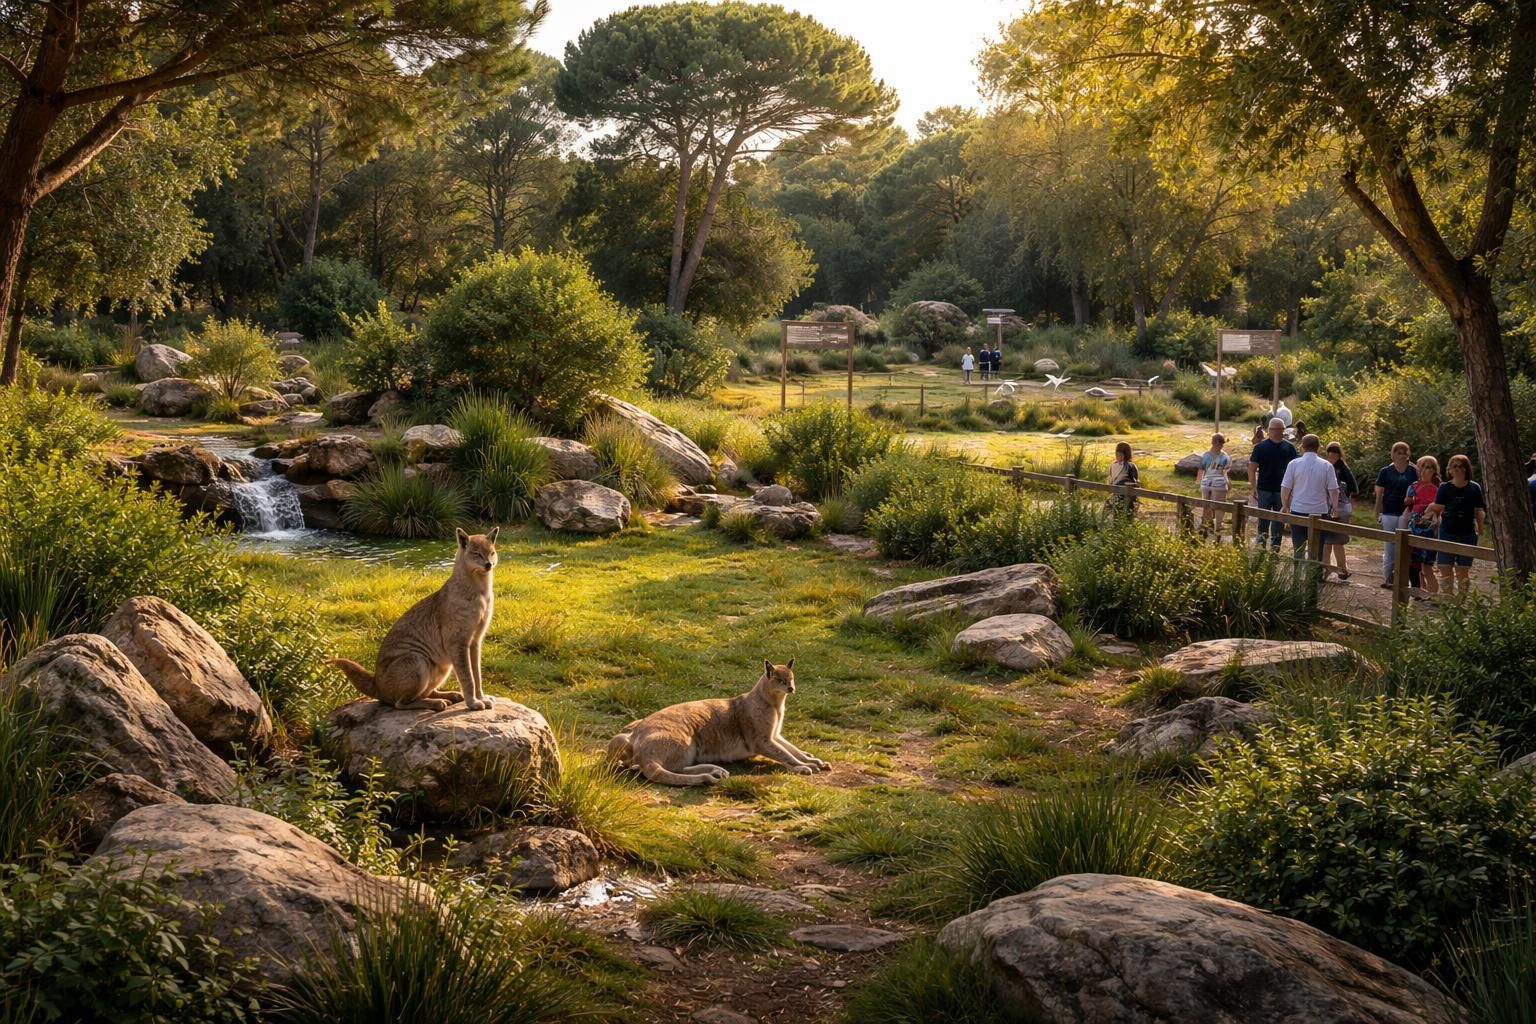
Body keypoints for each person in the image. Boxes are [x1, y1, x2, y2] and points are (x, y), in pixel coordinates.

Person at [1427, 453, 1486, 595]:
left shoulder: (1474, 487)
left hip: (1467, 533)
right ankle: (1448, 600)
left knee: (1463, 571)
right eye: (1455, 466)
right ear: (1450, 470)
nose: (1458, 469)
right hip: (1448, 531)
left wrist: (1481, 527)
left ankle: (1461, 602)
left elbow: (1479, 510)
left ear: (1467, 469)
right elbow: (1439, 506)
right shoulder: (1444, 487)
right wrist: (1430, 509)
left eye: (1461, 466)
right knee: (1445, 568)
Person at [1280, 434, 1339, 556]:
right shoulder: (1327, 466)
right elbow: (1333, 490)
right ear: (1318, 447)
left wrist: (1284, 505)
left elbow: (1285, 487)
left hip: (1298, 510)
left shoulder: (1294, 464)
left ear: (1302, 446)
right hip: (1319, 511)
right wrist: (1335, 508)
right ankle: (1314, 575)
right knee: (1317, 551)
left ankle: (1297, 574)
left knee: (1298, 549)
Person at [1247, 418, 1299, 550]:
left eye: (1280, 429)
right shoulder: (1260, 447)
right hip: (1263, 488)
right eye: (1275, 429)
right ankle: (1261, 547)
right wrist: (1253, 487)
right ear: (1269, 431)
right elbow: (1252, 468)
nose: (1278, 432)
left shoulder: (1289, 448)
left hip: (1282, 490)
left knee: (1279, 520)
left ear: (1283, 430)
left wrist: (1293, 488)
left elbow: (1296, 469)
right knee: (1263, 519)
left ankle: (1275, 547)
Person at [1373, 441, 1416, 589]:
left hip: (1407, 512)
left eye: (1404, 452)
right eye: (1398, 452)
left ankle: (1403, 578)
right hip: (1389, 511)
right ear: (1393, 454)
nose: (1401, 455)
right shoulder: (1385, 471)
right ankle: (1388, 577)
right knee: (1390, 547)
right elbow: (1379, 494)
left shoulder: (1413, 471)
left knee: (1404, 547)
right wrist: (1378, 512)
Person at [1404, 456, 1441, 595]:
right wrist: (1410, 499)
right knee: (1413, 561)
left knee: (1427, 563)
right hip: (1415, 522)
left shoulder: (1438, 487)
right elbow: (1407, 501)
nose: (1428, 470)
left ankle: (1432, 595)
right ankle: (1418, 590)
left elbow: (1440, 506)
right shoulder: (1414, 486)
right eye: (1425, 467)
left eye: (1431, 467)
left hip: (1429, 525)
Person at [1321, 442, 1358, 579]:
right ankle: (1326, 568)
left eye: (1334, 453)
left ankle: (1341, 569)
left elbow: (1354, 490)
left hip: (1341, 507)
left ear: (1338, 454)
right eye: (1329, 453)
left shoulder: (1344, 470)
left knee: (1337, 541)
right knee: (1326, 541)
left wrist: (1350, 508)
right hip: (1327, 507)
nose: (1331, 456)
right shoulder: (1325, 466)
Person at [1199, 433, 1231, 539]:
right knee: (1220, 506)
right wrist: (1228, 482)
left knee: (1206, 505)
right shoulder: (1225, 457)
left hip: (1206, 482)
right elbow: (1225, 472)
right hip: (1219, 482)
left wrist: (1200, 483)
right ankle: (1218, 527)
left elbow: (1201, 470)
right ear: (1221, 443)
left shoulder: (1205, 455)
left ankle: (1206, 526)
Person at [1107, 441, 1139, 518]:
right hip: (1125, 497)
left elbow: (1110, 480)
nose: (1118, 456)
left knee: (1116, 517)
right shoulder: (1130, 466)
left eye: (1120, 454)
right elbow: (1135, 481)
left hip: (1116, 496)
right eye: (1117, 454)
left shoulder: (1115, 465)